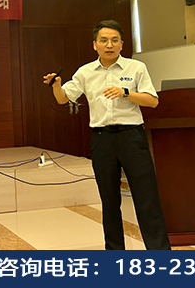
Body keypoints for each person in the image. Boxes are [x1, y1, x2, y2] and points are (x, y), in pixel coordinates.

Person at [43, 19, 171, 250]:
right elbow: (63, 98)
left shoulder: (136, 68)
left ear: (122, 44)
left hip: (132, 137)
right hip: (102, 139)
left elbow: (152, 101)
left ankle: (160, 254)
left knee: (147, 198)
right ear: (95, 44)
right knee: (109, 200)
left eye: (114, 40)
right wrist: (56, 85)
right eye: (103, 40)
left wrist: (125, 92)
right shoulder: (85, 72)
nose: (109, 45)